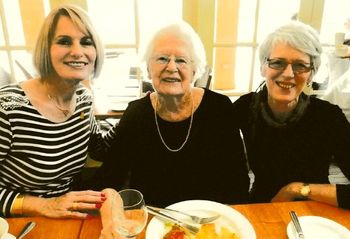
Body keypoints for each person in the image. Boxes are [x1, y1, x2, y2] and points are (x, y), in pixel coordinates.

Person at [92, 21, 250, 207]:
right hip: (154, 220)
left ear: (194, 70)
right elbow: (111, 177)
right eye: (162, 58)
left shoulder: (219, 108)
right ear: (149, 69)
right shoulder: (136, 114)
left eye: (181, 60)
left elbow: (238, 181)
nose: (171, 67)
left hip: (209, 220)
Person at [0, 5, 114, 218]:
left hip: (68, 215)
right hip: (18, 221)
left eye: (86, 42)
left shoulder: (83, 99)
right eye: (64, 41)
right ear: (46, 49)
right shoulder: (7, 109)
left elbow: (99, 149)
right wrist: (44, 205)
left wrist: (148, 107)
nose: (78, 52)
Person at [232, 21, 350, 209]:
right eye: (277, 62)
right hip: (263, 206)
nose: (288, 74)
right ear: (263, 68)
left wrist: (296, 189)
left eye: (300, 65)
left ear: (311, 74)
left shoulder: (328, 117)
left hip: (317, 209)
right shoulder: (245, 108)